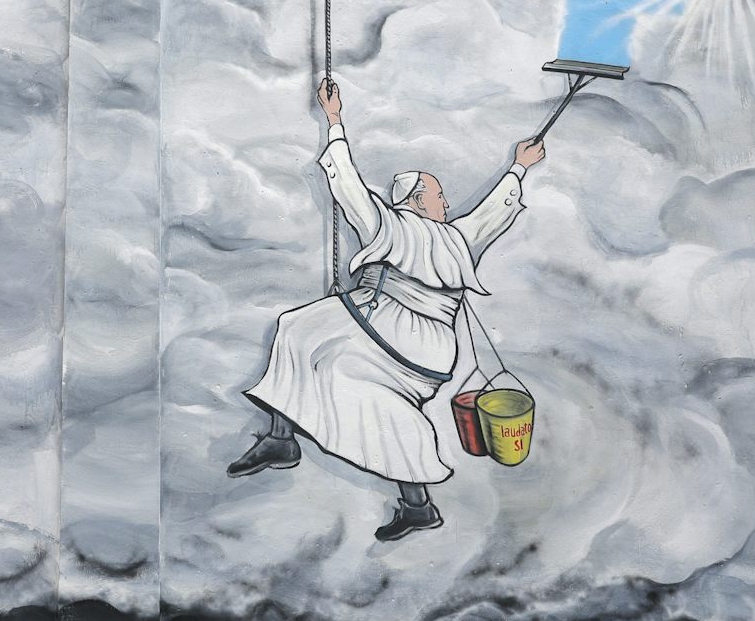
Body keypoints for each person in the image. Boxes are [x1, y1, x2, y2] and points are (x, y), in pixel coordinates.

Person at [227, 76, 545, 540]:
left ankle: (417, 506)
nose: (448, 203)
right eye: (438, 196)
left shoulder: (456, 237)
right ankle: (280, 439)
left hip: (417, 343)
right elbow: (350, 189)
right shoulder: (392, 226)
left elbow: (495, 209)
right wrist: (335, 121)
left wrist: (519, 166)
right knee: (298, 328)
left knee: (377, 399)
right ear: (416, 201)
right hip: (372, 323)